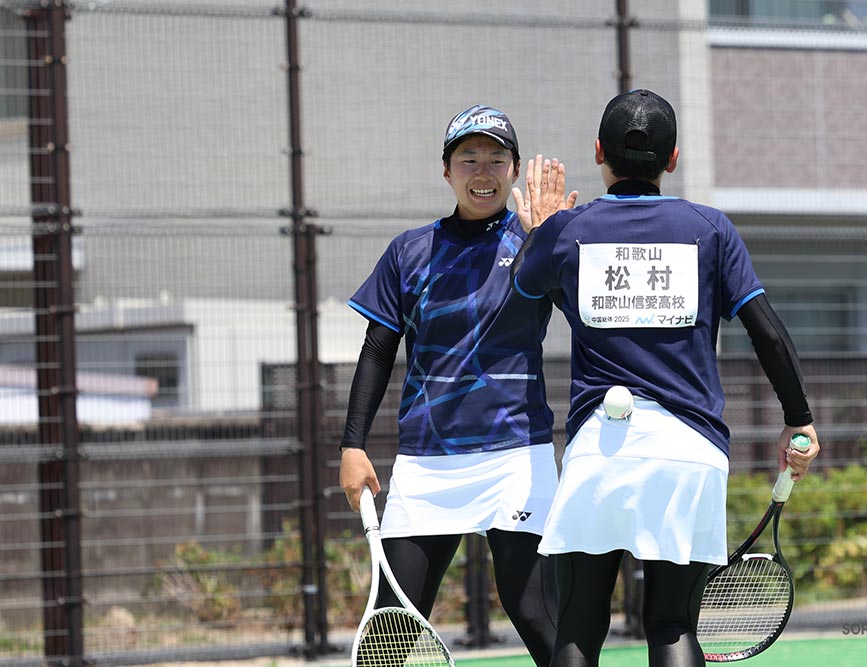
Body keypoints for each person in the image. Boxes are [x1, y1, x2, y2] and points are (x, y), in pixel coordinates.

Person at [510, 89, 821, 667]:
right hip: (690, 451)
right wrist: (798, 419)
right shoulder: (711, 228)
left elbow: (528, 288)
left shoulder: (568, 231)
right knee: (673, 625)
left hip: (599, 450)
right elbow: (768, 333)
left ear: (598, 152)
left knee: (578, 625)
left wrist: (543, 232)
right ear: (672, 159)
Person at [339, 105, 571, 667]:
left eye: (496, 159)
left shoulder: (539, 241)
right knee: (391, 633)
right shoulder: (409, 251)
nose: (483, 172)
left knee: (535, 614)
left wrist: (551, 241)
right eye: (469, 159)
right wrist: (352, 445)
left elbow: (587, 314)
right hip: (426, 464)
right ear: (447, 171)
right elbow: (377, 350)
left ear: (515, 171)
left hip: (517, 457)